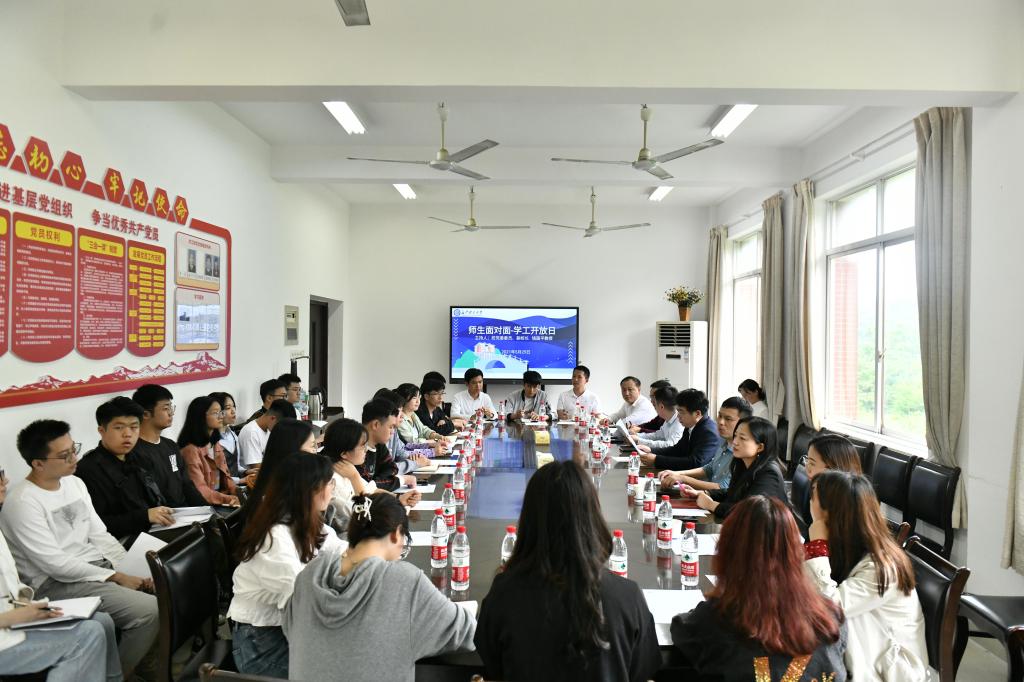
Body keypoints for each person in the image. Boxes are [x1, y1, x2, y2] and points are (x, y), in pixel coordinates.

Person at [476, 460, 660, 681]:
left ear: (529, 520)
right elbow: (642, 670)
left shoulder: (504, 594)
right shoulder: (627, 596)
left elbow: (491, 664)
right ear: (592, 517)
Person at [3, 420, 160, 680]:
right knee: (148, 611)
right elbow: (55, 564)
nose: (74, 458)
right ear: (38, 463)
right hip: (55, 583)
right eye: (64, 455)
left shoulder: (74, 483)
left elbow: (99, 534)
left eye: (73, 449)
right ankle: (121, 674)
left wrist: (129, 566)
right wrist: (117, 577)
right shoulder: (22, 502)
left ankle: (142, 665)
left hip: (95, 569)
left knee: (162, 584)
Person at [284, 493, 475, 682]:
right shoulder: (404, 582)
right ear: (396, 534)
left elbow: (290, 628)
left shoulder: (309, 574)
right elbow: (465, 631)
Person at [671, 496, 847, 680]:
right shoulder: (832, 618)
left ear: (728, 552)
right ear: (796, 552)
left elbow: (681, 630)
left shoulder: (716, 619)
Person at [227, 454, 344, 679]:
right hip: (260, 644)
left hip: (285, 629)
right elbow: (302, 598)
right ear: (309, 489)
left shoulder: (306, 520)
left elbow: (340, 551)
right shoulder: (274, 537)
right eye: (330, 483)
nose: (333, 489)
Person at [0, 470, 123, 682]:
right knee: (86, 636)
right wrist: (13, 617)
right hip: (5, 634)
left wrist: (27, 606)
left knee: (102, 620)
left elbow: (8, 588)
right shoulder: (22, 501)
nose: (6, 480)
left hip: (14, 617)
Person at [805, 471, 926, 681]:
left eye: (813, 498)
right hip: (860, 657)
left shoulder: (883, 568)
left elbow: (827, 609)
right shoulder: (848, 548)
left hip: (888, 674)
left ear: (830, 512)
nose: (809, 503)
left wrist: (817, 547)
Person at [75, 397, 175, 538]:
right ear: (102, 430)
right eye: (119, 427)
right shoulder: (87, 470)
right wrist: (144, 516)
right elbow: (96, 525)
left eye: (134, 427)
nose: (128, 434)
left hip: (155, 531)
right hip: (121, 541)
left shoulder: (141, 459)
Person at [320, 419, 421, 534]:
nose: (366, 450)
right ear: (344, 453)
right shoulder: (332, 481)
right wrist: (355, 478)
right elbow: (363, 517)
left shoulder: (346, 468)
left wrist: (398, 498)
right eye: (362, 446)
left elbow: (372, 490)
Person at [692, 416, 789, 522]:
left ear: (760, 447)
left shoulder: (769, 473)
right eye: (735, 436)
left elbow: (750, 512)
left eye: (742, 438)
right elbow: (734, 493)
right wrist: (705, 493)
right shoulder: (743, 463)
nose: (735, 442)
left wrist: (711, 505)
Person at [131, 384, 207, 508]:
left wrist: (207, 510)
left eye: (171, 407)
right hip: (163, 515)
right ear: (145, 414)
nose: (171, 413)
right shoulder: (135, 452)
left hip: (186, 512)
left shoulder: (171, 445)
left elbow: (187, 485)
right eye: (166, 408)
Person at [659, 396, 752, 493]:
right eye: (720, 416)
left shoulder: (743, 453)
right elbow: (709, 469)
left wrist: (683, 478)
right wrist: (676, 474)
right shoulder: (723, 441)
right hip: (708, 496)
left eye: (728, 419)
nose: (720, 422)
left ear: (743, 424)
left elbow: (722, 488)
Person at [242, 419, 318, 514]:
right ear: (293, 449)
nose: (315, 451)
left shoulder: (293, 480)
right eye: (312, 446)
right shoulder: (281, 495)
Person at [177, 396, 238, 507]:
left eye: (221, 412)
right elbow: (201, 490)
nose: (221, 416)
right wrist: (228, 499)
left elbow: (227, 479)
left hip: (221, 500)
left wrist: (239, 494)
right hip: (205, 506)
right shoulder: (190, 450)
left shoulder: (215, 443)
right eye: (215, 413)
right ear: (200, 416)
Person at [639, 389, 720, 471]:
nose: (678, 416)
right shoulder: (690, 424)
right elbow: (678, 449)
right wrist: (651, 450)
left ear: (697, 414)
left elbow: (696, 463)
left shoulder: (709, 432)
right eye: (678, 412)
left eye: (682, 412)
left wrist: (657, 460)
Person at [795, 434, 864, 524]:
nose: (806, 468)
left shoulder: (847, 513)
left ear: (832, 469)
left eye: (812, 463)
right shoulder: (818, 493)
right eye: (807, 460)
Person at [374, 388, 431, 475]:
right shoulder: (374, 437)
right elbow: (385, 470)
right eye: (398, 412)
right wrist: (415, 463)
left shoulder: (393, 430)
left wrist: (415, 457)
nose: (402, 416)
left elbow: (401, 451)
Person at [359, 399, 409, 491]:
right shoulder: (355, 450)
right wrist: (402, 480)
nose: (392, 432)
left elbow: (393, 468)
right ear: (376, 425)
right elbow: (366, 488)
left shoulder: (379, 445)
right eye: (391, 427)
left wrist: (377, 482)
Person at [238, 399, 296, 469]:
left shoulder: (268, 429)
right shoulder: (251, 433)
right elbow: (256, 468)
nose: (281, 430)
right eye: (281, 426)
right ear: (273, 418)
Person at [393, 383, 445, 449]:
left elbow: (423, 429)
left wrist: (438, 436)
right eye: (414, 398)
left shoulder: (413, 414)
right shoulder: (400, 419)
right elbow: (411, 441)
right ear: (404, 399)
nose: (418, 401)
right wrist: (431, 442)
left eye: (419, 398)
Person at [633, 386, 683, 450]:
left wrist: (640, 441)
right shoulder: (669, 418)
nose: (654, 408)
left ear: (661, 407)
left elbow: (671, 445)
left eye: (655, 405)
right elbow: (658, 435)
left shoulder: (679, 423)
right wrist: (637, 436)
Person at [208, 391, 242, 477]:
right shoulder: (210, 441)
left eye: (234, 406)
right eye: (228, 408)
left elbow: (237, 467)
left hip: (236, 482)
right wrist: (241, 480)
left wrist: (247, 472)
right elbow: (215, 477)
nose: (233, 411)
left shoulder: (232, 435)